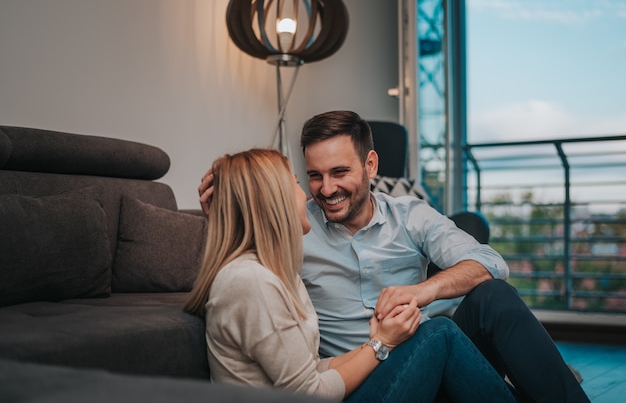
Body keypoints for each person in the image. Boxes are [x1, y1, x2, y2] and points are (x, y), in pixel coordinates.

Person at [198, 112, 590, 403]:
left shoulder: (409, 214)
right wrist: (225, 214)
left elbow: (490, 262)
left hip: (429, 355)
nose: (325, 188)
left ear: (370, 165)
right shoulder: (293, 229)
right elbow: (244, 260)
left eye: (339, 172)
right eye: (313, 176)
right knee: (438, 334)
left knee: (494, 296)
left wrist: (422, 292)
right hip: (359, 374)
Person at [187, 148, 518, 402]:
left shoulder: (272, 275)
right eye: (298, 183)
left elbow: (310, 370)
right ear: (272, 202)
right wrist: (379, 343)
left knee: (444, 328)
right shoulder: (251, 282)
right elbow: (309, 393)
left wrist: (381, 343)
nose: (306, 196)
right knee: (440, 333)